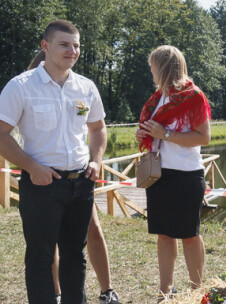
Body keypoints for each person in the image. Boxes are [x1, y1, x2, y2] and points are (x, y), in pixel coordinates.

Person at [0, 20, 107, 303]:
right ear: (45, 46)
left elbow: (97, 128)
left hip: (81, 183)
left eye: (76, 46)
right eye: (64, 44)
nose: (72, 51)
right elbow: (1, 134)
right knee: (41, 257)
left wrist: (96, 161)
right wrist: (31, 167)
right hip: (42, 185)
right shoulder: (20, 87)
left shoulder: (86, 87)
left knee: (75, 255)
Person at [26, 50, 121, 304]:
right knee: (48, 244)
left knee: (90, 232)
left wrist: (95, 161)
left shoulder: (80, 88)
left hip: (78, 178)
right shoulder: (27, 88)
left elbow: (95, 127)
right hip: (47, 181)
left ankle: (106, 289)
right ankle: (56, 292)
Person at [135, 45, 211, 300]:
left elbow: (204, 137)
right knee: (164, 234)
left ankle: (196, 290)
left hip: (186, 175)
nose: (151, 72)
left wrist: (165, 134)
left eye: (153, 67)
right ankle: (165, 291)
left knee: (190, 235)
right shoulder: (158, 98)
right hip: (159, 176)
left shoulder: (193, 96)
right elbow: (155, 132)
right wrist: (144, 133)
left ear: (164, 67)